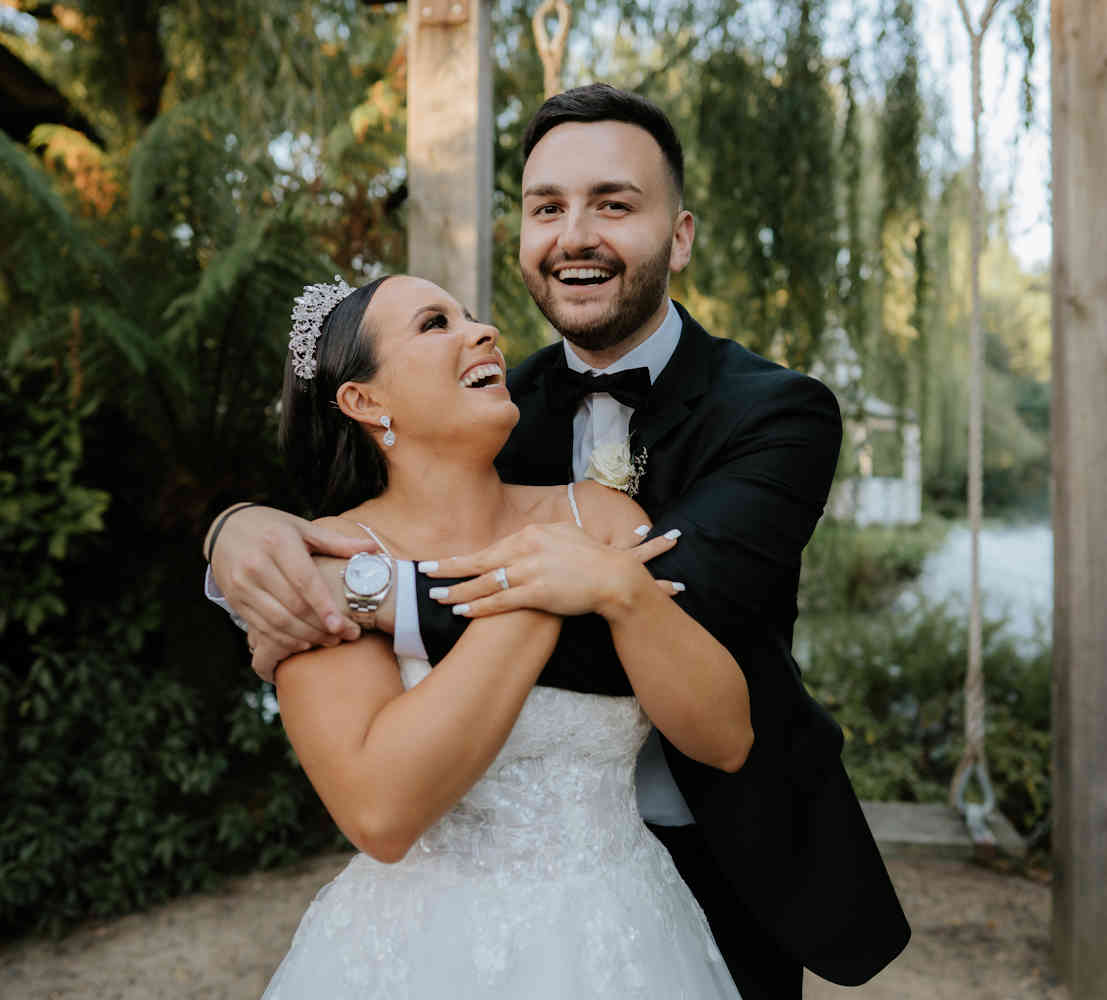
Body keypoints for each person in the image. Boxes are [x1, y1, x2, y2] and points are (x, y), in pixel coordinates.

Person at [209, 84, 910, 995]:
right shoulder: (498, 407)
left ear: (680, 235)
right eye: (548, 208)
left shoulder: (777, 413)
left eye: (613, 204)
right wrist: (233, 534)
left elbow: (683, 615)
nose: (574, 234)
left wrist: (377, 595)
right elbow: (378, 792)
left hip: (719, 864)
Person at [257, 270, 748, 997]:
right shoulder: (329, 560)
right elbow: (381, 814)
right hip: (425, 952)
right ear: (365, 401)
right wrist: (543, 589)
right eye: (435, 324)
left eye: (471, 316)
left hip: (629, 935)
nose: (483, 331)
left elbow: (726, 738)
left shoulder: (600, 515)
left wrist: (616, 587)